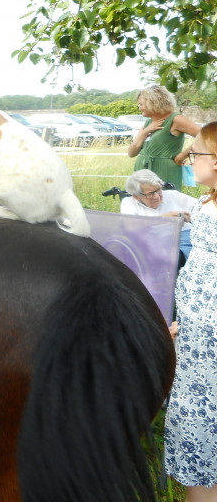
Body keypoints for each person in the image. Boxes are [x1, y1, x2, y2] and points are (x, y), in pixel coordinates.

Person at [164, 121, 217, 502]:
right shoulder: (205, 202)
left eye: (194, 153)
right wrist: (185, 324)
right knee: (194, 435)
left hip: (212, 351)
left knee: (203, 434)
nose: (188, 159)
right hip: (195, 343)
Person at [127, 85, 200, 190]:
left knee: (166, 202)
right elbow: (131, 153)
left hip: (165, 172)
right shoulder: (148, 123)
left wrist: (184, 155)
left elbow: (206, 135)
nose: (139, 107)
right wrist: (145, 132)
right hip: (142, 175)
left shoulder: (175, 119)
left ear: (153, 102)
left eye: (141, 104)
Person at [121, 169, 197, 262]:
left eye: (158, 190)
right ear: (136, 196)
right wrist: (163, 219)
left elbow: (202, 208)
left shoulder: (172, 195)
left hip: (184, 238)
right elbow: (130, 226)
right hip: (153, 244)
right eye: (150, 194)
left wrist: (189, 217)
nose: (157, 197)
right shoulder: (129, 203)